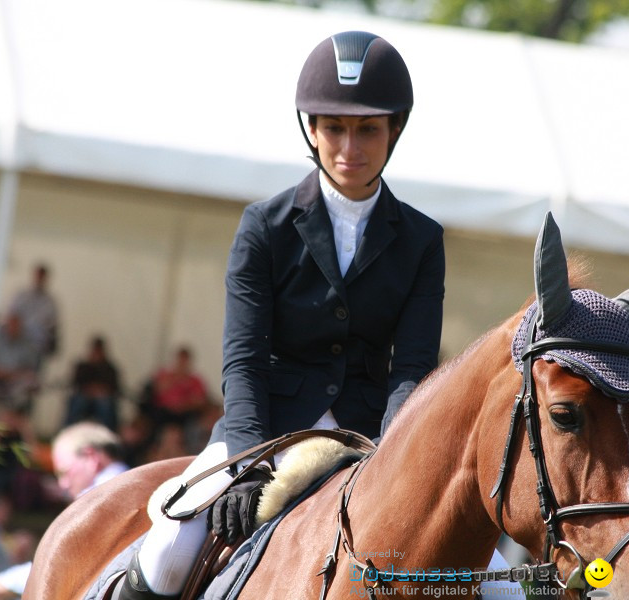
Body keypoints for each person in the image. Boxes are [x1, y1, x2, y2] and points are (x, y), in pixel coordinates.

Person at [114, 31, 446, 600]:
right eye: (334, 127)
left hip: (366, 437)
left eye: (367, 128)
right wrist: (248, 462)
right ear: (311, 129)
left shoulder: (421, 240)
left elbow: (411, 369)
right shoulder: (264, 227)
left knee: (496, 580)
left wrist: (396, 456)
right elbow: (242, 361)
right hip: (264, 429)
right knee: (170, 552)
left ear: (394, 128)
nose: (349, 146)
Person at [0, 422, 129, 600]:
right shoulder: (128, 490)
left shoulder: (105, 495)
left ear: (91, 458)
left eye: (65, 472)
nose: (63, 484)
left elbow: (60, 566)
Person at [63, 335, 123, 432]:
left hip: (102, 398)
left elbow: (114, 387)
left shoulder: (110, 368)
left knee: (105, 404)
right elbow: (76, 383)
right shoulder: (83, 366)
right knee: (78, 402)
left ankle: (109, 433)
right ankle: (67, 430)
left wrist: (100, 390)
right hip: (84, 396)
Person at [8, 263, 59, 371]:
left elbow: (53, 328)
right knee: (15, 372)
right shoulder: (22, 296)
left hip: (38, 347)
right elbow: (12, 316)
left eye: (42, 277)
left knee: (32, 378)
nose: (39, 279)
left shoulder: (50, 302)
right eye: (38, 276)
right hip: (19, 344)